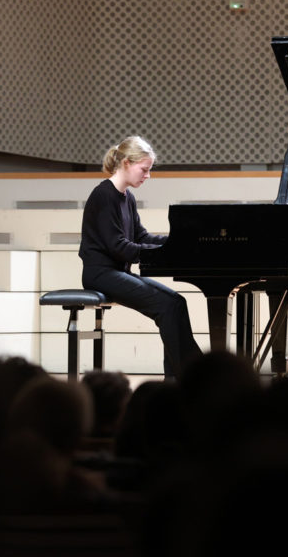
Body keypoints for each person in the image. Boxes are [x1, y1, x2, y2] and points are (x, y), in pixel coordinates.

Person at [79, 136, 202, 379]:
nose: (148, 175)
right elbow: (119, 247)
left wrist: (175, 242)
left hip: (117, 273)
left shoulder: (128, 197)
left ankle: (184, 377)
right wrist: (162, 252)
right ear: (126, 163)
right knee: (166, 305)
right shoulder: (103, 195)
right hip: (100, 275)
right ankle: (190, 377)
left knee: (176, 303)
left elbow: (141, 235)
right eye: (144, 169)